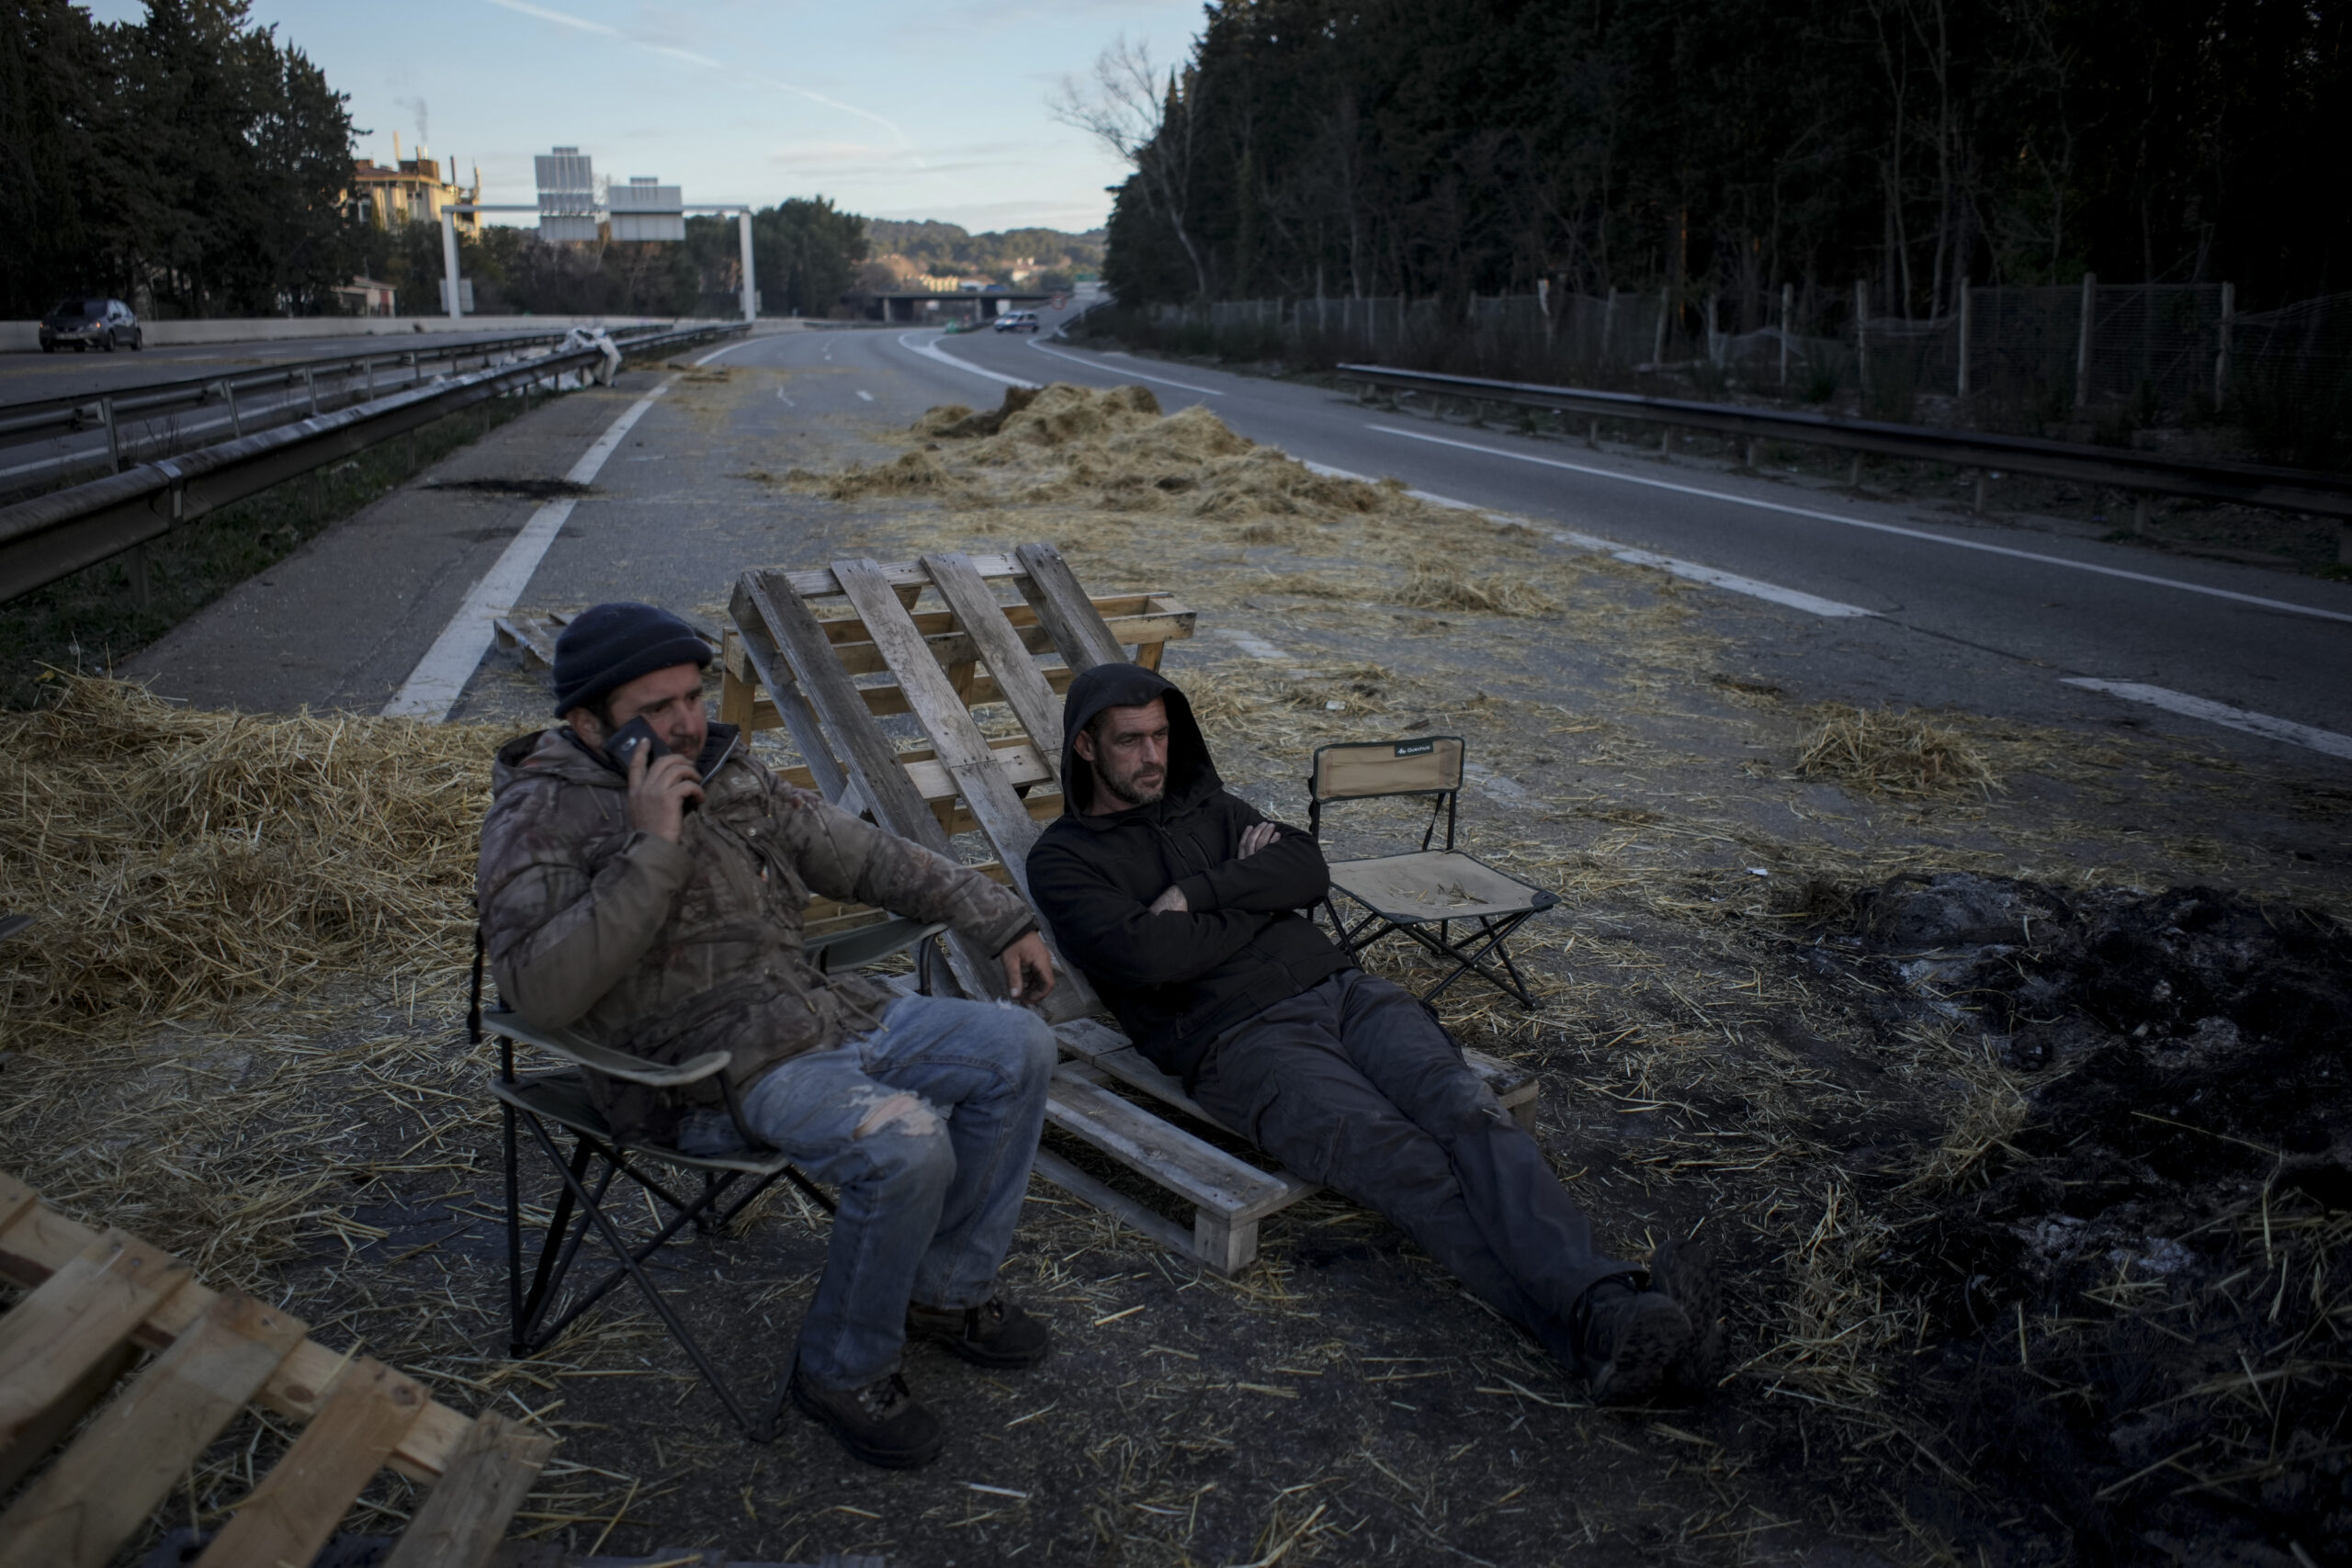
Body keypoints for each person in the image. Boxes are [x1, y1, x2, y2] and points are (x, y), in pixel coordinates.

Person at [1025, 663, 1724, 1403]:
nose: (1154, 756)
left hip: (1348, 993)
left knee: (1468, 1111)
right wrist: (1257, 898)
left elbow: (1308, 870)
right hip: (1243, 1044)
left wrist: (1200, 894)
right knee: (1407, 1163)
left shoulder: (1212, 807)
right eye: (1131, 741)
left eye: (1162, 735)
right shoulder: (1065, 861)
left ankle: (1606, 1315)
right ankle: (1603, 1319)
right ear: (1086, 748)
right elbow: (1149, 956)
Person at [478, 602, 1060, 1468]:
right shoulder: (540, 815)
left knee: (1020, 1047)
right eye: (658, 707)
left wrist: (998, 916)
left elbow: (863, 856)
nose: (687, 721)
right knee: (907, 1146)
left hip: (819, 1013)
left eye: (693, 695)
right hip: (701, 1073)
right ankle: (840, 1368)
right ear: (585, 720)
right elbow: (540, 990)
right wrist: (652, 847)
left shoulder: (728, 768)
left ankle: (941, 1292)